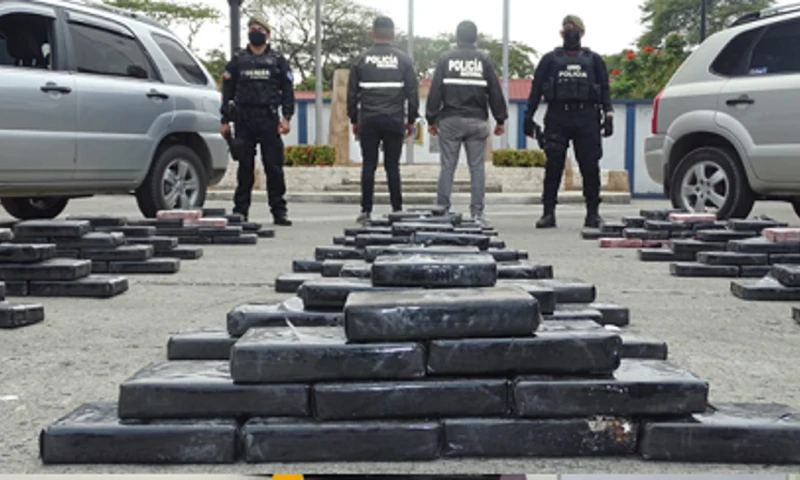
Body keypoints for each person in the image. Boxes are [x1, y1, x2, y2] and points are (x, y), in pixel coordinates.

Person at [523, 15, 614, 229]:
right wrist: (528, 117)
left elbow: (605, 90)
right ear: (561, 33)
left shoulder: (594, 60)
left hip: (587, 117)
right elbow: (536, 89)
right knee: (553, 166)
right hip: (557, 116)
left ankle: (593, 213)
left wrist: (608, 115)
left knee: (590, 166)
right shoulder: (550, 59)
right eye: (566, 28)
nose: (570, 32)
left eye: (574, 28)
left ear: (582, 32)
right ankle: (548, 213)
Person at [425, 20, 508, 228]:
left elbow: (436, 91)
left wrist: (431, 118)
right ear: (476, 37)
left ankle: (442, 209)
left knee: (448, 166)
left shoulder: (446, 59)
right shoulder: (484, 60)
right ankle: (477, 214)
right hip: (477, 120)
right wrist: (500, 119)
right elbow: (495, 92)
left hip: (451, 120)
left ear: (456, 36)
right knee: (477, 168)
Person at [221, 16, 294, 226]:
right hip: (244, 119)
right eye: (251, 28)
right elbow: (227, 91)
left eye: (259, 28)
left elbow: (288, 90)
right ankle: (240, 211)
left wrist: (287, 117)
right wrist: (224, 120)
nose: (255, 31)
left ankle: (279, 212)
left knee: (274, 167)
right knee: (245, 168)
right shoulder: (237, 59)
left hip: (269, 119)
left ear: (268, 34)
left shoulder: (278, 60)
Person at [347, 16, 420, 225]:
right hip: (394, 119)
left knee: (369, 164)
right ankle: (397, 209)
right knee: (392, 165)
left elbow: (352, 94)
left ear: (372, 33)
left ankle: (366, 210)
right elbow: (412, 93)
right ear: (393, 34)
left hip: (368, 119)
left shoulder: (361, 59)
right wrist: (411, 120)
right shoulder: (403, 60)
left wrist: (354, 119)